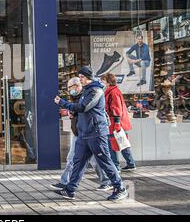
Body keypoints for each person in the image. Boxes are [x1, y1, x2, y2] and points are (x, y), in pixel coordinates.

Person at [53, 66, 128, 201]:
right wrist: (72, 112)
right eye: (80, 77)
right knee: (78, 161)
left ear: (88, 77)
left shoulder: (96, 90)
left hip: (96, 133)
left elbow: (83, 107)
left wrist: (63, 103)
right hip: (85, 133)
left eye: (82, 77)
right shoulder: (86, 91)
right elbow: (82, 110)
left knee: (105, 161)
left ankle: (120, 188)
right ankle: (70, 190)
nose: (80, 79)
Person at [51, 77, 113, 191]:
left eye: (71, 87)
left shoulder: (88, 95)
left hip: (88, 133)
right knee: (76, 159)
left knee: (95, 160)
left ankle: (110, 182)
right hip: (80, 133)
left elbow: (84, 110)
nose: (69, 89)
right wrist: (73, 114)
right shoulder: (77, 97)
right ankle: (67, 184)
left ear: (78, 85)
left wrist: (63, 104)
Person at [101, 73, 136, 172]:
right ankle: (130, 163)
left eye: (103, 80)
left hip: (114, 123)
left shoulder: (113, 92)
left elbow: (116, 108)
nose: (102, 82)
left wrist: (116, 123)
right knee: (122, 142)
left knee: (112, 144)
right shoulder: (112, 91)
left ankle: (116, 166)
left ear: (108, 81)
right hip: (117, 122)